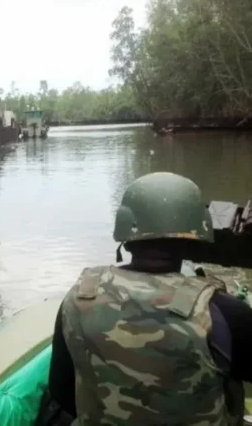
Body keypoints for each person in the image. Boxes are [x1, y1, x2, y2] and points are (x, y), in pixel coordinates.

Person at [37, 172, 252, 426]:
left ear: (126, 242)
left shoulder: (80, 298)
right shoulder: (223, 313)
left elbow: (62, 391)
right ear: (190, 243)